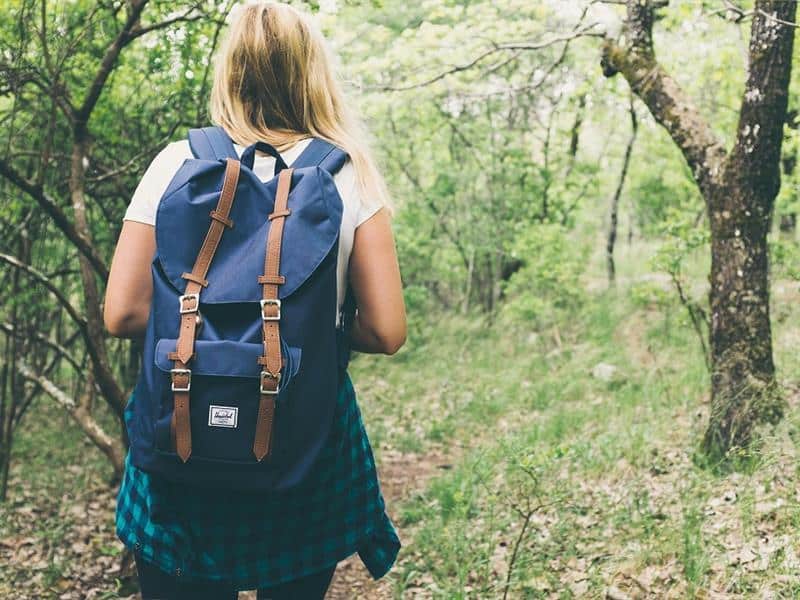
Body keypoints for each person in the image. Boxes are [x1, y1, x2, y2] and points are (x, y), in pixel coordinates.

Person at [103, 2, 406, 598]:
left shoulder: (176, 163)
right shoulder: (349, 176)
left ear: (231, 72)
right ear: (312, 73)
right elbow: (386, 331)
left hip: (182, 442)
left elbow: (123, 313)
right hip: (303, 446)